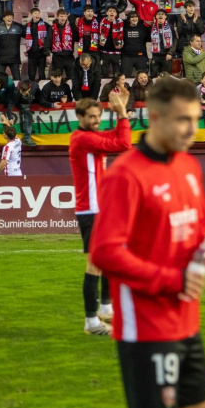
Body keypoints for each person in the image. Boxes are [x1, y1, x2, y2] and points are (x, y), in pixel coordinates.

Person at [89, 77, 205, 408]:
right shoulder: (126, 175)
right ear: (154, 116)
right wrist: (172, 278)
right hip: (146, 323)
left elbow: (199, 227)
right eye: (182, 120)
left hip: (186, 318)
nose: (192, 130)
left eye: (196, 120)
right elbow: (105, 252)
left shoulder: (189, 165)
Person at [69, 95, 132, 336]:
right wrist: (123, 113)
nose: (96, 121)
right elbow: (124, 144)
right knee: (95, 265)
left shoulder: (89, 137)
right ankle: (91, 321)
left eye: (98, 116)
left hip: (100, 209)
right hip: (90, 211)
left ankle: (106, 308)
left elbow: (118, 138)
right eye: (92, 117)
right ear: (80, 118)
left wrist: (120, 112)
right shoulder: (82, 139)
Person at [24, 8, 50, 83]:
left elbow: (51, 34)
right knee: (31, 75)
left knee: (42, 74)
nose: (37, 15)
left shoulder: (45, 25)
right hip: (32, 54)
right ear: (31, 15)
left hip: (42, 54)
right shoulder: (27, 26)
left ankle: (43, 91)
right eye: (35, 13)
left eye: (38, 13)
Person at [0, 11, 24, 80]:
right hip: (1, 59)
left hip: (14, 58)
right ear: (3, 18)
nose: (9, 18)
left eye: (11, 16)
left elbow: (29, 35)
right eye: (7, 16)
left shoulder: (19, 27)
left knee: (17, 79)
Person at [122, 11, 150, 77]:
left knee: (143, 77)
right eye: (132, 17)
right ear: (128, 19)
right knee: (125, 78)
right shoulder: (123, 28)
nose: (134, 19)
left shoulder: (143, 28)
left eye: (136, 17)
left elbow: (150, 38)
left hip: (141, 56)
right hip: (127, 57)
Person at [99, 6, 125, 78]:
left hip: (116, 53)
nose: (112, 12)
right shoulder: (101, 21)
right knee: (104, 74)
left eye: (114, 11)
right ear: (106, 13)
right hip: (104, 52)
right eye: (110, 11)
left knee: (117, 75)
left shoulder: (121, 22)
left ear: (116, 14)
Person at [150, 10, 177, 77]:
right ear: (156, 16)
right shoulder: (152, 27)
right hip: (156, 55)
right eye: (158, 14)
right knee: (154, 76)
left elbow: (175, 40)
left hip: (166, 55)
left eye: (162, 14)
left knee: (167, 77)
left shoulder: (170, 27)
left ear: (165, 16)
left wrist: (170, 53)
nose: (160, 15)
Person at [51, 9, 76, 79]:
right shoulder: (52, 28)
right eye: (61, 16)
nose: (63, 18)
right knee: (57, 78)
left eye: (65, 16)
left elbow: (76, 38)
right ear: (57, 17)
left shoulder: (71, 27)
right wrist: (47, 54)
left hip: (69, 56)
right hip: (57, 57)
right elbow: (48, 40)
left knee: (72, 78)